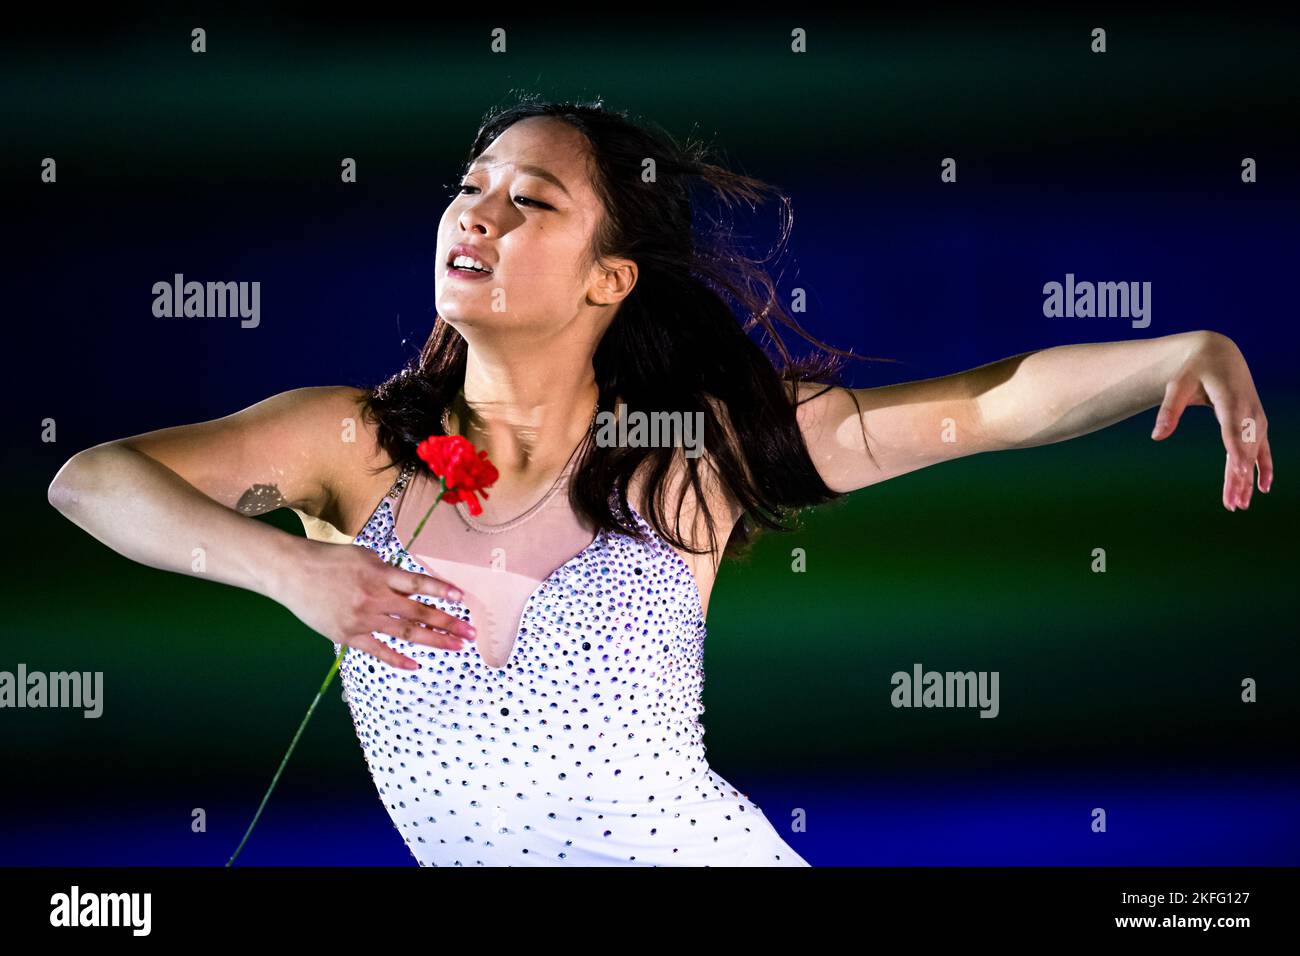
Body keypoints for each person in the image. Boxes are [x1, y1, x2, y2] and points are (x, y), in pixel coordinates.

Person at [47, 98, 1273, 866]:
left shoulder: (694, 452)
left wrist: (1181, 350)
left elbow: (986, 405)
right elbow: (92, 481)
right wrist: (287, 565)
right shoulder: (348, 442)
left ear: (607, 279)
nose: (476, 215)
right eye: (467, 189)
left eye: (529, 202)